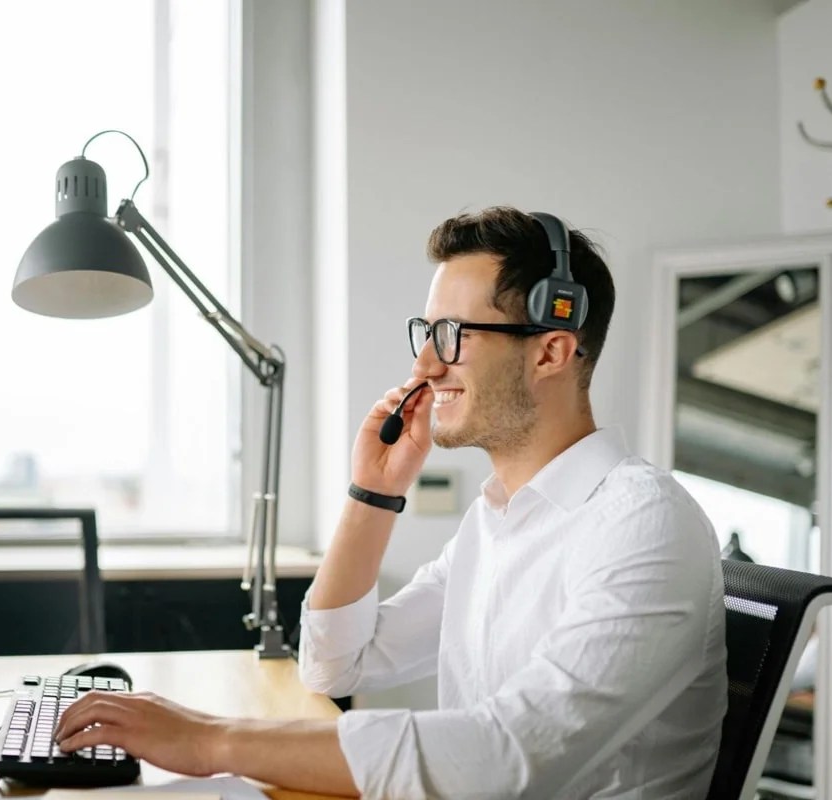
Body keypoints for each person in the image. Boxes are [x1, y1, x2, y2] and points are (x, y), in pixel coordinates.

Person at [54, 207, 727, 799]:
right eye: (425, 334)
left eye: (453, 336)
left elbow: (505, 758)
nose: (426, 369)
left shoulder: (643, 526)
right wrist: (373, 493)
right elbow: (335, 664)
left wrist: (211, 743)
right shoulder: (498, 520)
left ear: (551, 349)